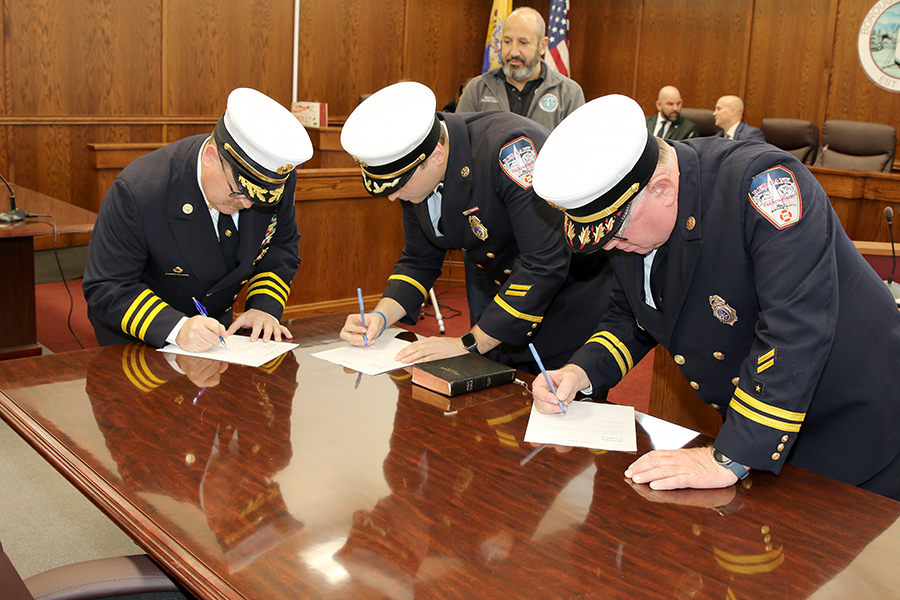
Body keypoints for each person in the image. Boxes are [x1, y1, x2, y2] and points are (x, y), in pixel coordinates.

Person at [530, 94, 900, 500]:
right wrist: (582, 373)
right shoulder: (630, 226)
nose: (612, 248)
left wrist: (730, 455)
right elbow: (633, 314)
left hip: (852, 421)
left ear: (663, 189)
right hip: (761, 422)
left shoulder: (763, 185)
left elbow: (795, 328)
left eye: (617, 233)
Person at [338, 81, 613, 373]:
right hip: (501, 299)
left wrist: (468, 343)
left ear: (437, 156)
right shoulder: (416, 173)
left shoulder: (512, 150)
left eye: (398, 185)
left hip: (568, 299)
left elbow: (544, 262)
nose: (392, 196)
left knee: (554, 403)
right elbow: (420, 259)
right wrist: (381, 316)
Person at [83, 88, 313, 351]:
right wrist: (176, 327)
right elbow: (108, 284)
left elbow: (279, 246)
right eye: (239, 192)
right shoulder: (140, 190)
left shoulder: (273, 180)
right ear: (210, 158)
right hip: (138, 341)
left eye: (259, 198)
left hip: (214, 338)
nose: (248, 203)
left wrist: (263, 308)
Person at [456, 7, 585, 131]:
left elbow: (577, 149)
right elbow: (458, 143)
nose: (513, 52)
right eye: (507, 41)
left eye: (523, 43)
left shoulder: (569, 94)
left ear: (542, 46)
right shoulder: (477, 89)